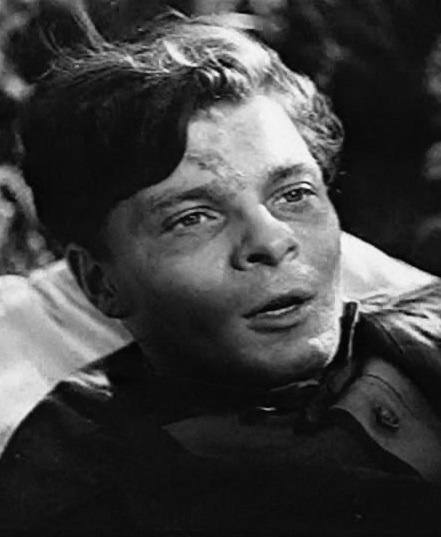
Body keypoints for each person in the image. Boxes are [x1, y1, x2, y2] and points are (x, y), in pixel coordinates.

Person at [1, 15, 441, 535]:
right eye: (193, 219)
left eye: (294, 194)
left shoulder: (417, 327)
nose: (272, 241)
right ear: (100, 282)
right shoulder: (80, 489)